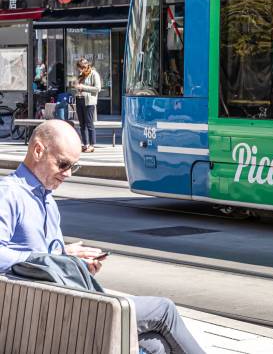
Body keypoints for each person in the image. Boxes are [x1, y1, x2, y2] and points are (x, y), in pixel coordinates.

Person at [0, 120, 205, 354]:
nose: (67, 174)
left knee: (155, 345)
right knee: (164, 310)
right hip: (55, 314)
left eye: (72, 167)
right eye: (63, 164)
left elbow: (43, 260)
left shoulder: (46, 199)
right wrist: (50, 259)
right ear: (38, 151)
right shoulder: (9, 194)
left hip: (57, 308)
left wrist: (70, 261)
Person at [74, 58, 101, 153]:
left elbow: (98, 88)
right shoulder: (81, 75)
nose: (80, 70)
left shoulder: (94, 74)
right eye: (79, 69)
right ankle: (85, 144)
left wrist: (83, 87)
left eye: (81, 68)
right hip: (79, 99)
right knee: (82, 124)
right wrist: (76, 86)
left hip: (89, 102)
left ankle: (92, 145)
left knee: (89, 123)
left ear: (85, 67)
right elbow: (79, 86)